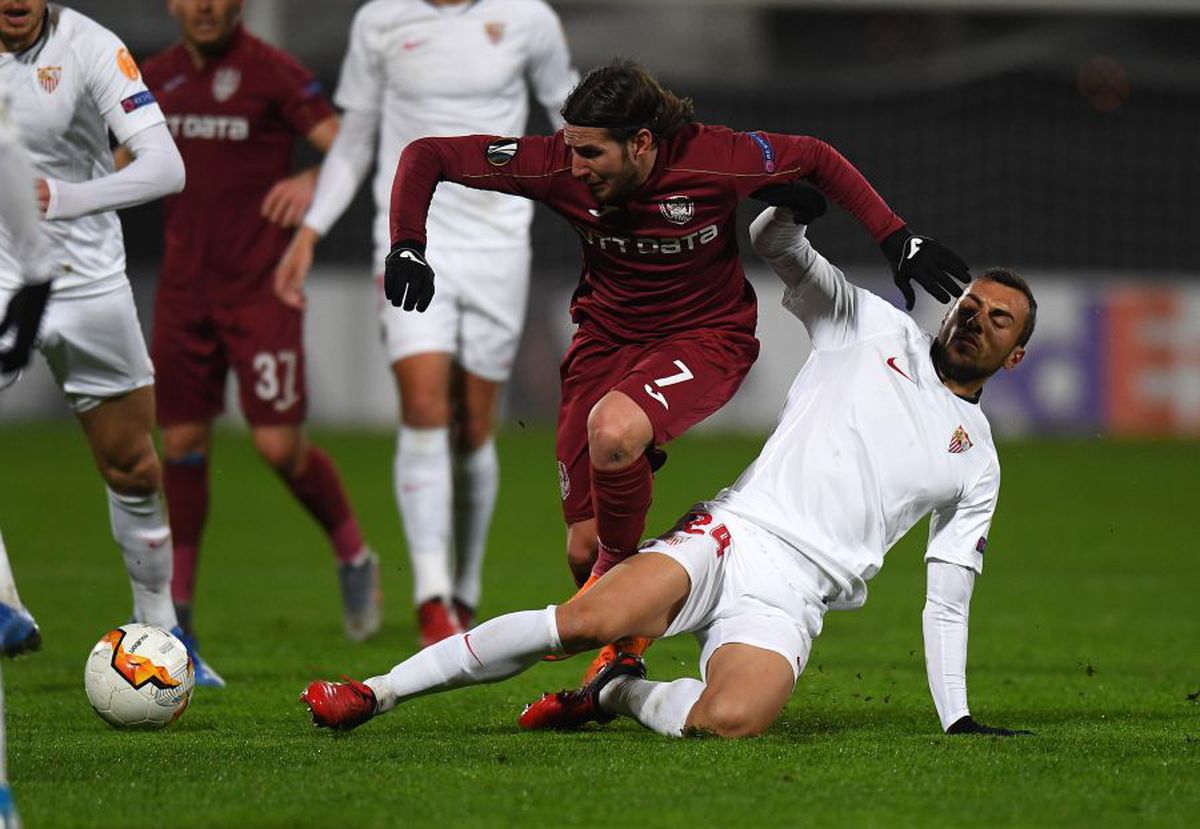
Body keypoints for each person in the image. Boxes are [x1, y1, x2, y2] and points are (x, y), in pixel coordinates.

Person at [301, 193, 1036, 740]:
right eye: (970, 304)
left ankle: (616, 691)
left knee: (732, 720)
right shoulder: (870, 326)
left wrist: (958, 718)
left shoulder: (978, 463)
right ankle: (375, 692)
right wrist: (794, 207)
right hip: (733, 537)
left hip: (794, 598)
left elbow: (947, 600)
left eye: (998, 319)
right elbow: (774, 242)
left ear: (1015, 356)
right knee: (581, 622)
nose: (975, 318)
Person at [380, 59, 970, 681]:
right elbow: (427, 155)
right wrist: (407, 243)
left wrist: (896, 238)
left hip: (706, 338)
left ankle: (617, 579)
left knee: (615, 434)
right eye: (572, 149)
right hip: (604, 344)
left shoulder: (716, 158)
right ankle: (621, 660)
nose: (575, 167)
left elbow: (817, 157)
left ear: (641, 142)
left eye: (591, 152)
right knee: (582, 546)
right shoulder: (555, 164)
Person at [274, 0, 578, 646]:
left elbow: (572, 118)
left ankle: (464, 587)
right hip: (410, 236)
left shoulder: (527, 19)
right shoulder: (380, 19)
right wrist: (310, 231)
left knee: (474, 426)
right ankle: (432, 596)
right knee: (423, 405)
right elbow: (355, 138)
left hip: (498, 240)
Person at [130, 0, 380, 667]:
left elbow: (347, 147)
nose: (206, 6)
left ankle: (353, 552)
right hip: (184, 292)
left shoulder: (273, 70)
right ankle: (180, 611)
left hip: (262, 290)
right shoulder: (154, 76)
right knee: (180, 443)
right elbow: (121, 157)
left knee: (277, 446)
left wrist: (311, 179)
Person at [0, 1, 229, 687]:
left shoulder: (90, 46)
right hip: (3, 275)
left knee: (132, 466)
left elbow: (166, 168)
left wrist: (64, 196)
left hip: (87, 279)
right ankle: (6, 605)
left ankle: (163, 630)